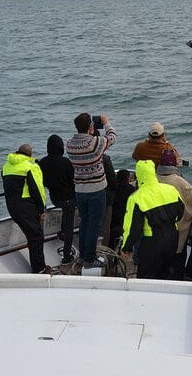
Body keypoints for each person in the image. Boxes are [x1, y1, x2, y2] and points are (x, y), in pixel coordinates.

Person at [66, 113, 117, 268]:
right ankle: (90, 258)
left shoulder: (69, 144)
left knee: (85, 223)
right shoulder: (95, 143)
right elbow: (112, 137)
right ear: (90, 126)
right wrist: (107, 123)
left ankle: (83, 255)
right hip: (96, 190)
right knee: (94, 224)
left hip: (80, 190)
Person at [121, 160, 184, 280]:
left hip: (152, 242)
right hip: (172, 237)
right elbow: (181, 212)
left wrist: (126, 247)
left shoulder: (136, 198)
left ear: (138, 176)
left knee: (147, 275)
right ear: (153, 172)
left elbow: (133, 228)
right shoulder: (170, 189)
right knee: (167, 271)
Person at [2, 144, 49, 274]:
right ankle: (40, 269)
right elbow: (37, 190)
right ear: (30, 155)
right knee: (36, 237)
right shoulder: (31, 167)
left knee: (32, 236)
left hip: (12, 207)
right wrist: (41, 210)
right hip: (26, 207)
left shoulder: (6, 167)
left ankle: (39, 266)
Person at [156, 149, 192, 280]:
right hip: (177, 229)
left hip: (157, 228)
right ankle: (177, 278)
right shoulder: (179, 181)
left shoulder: (154, 178)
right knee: (178, 258)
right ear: (174, 164)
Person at [38, 135, 75, 264]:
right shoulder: (65, 162)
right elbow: (72, 179)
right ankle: (66, 256)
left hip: (54, 198)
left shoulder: (42, 162)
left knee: (66, 212)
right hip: (68, 198)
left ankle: (63, 231)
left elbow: (41, 181)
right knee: (70, 224)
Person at [109, 169, 136, 250]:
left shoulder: (114, 188)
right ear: (127, 178)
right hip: (126, 215)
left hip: (114, 215)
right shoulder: (131, 188)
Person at [101, 152, 118, 246]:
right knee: (105, 226)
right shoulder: (104, 158)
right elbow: (112, 179)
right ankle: (103, 250)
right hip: (105, 196)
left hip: (83, 195)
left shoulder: (79, 156)